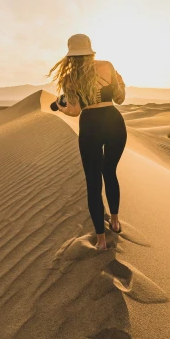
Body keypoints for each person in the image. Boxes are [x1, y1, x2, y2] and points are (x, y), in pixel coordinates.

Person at [48, 34, 127, 251]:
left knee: (93, 183)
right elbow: (120, 99)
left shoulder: (70, 78)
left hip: (90, 125)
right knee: (110, 172)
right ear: (91, 50)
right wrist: (119, 82)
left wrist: (62, 108)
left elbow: (74, 111)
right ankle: (115, 221)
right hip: (114, 122)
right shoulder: (107, 66)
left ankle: (101, 241)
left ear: (70, 54)